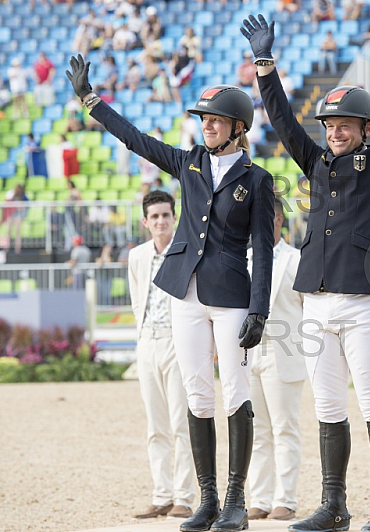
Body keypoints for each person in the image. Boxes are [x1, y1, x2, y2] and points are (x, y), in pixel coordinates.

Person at [67, 55, 275, 532]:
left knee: (235, 397)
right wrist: (91, 101)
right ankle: (207, 500)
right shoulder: (188, 163)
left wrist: (259, 309)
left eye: (215, 120)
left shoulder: (258, 180)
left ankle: (236, 501)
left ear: (237, 127)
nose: (207, 126)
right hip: (185, 293)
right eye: (204, 119)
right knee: (197, 396)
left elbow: (262, 249)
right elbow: (136, 140)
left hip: (230, 298)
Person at [240, 9, 370, 532]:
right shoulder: (315, 164)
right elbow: (284, 123)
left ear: (365, 128)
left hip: (362, 301)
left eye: (345, 126)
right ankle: (334, 503)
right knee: (330, 406)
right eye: (331, 126)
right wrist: (265, 67)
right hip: (315, 299)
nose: (335, 133)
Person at [129, 191, 195, 520]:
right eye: (154, 216)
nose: (160, 221)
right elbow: (136, 298)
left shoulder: (186, 252)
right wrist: (142, 338)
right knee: (155, 426)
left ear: (174, 217)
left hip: (178, 341)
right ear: (145, 221)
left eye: (165, 215)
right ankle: (161, 495)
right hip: (148, 342)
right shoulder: (137, 257)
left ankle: (184, 496)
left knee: (181, 422)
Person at [246, 199, 306, 522]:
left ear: (280, 219)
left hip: (284, 351)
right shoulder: (244, 259)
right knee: (257, 431)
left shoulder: (296, 260)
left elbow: (308, 308)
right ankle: (261, 498)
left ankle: (286, 499)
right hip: (250, 353)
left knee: (285, 428)